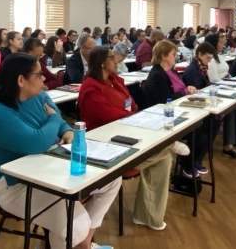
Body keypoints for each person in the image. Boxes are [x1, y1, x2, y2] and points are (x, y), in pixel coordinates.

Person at [0, 53, 119, 249]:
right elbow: (37, 143)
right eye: (38, 74)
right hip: (15, 186)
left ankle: (83, 245)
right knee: (76, 225)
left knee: (111, 180)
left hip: (48, 169)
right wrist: (53, 120)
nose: (44, 78)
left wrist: (67, 131)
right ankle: (73, 243)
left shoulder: (39, 96)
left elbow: (61, 123)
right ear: (21, 80)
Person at [78, 46, 185, 232]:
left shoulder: (113, 80)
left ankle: (147, 216)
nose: (116, 61)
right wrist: (130, 116)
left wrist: (132, 115)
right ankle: (168, 144)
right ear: (102, 63)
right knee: (164, 153)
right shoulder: (91, 87)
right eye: (112, 58)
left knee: (164, 159)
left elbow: (132, 103)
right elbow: (106, 115)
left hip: (127, 130)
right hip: (104, 142)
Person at [181, 42, 224, 175]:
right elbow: (195, 93)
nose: (209, 61)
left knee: (216, 122)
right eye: (208, 57)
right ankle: (191, 162)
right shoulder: (192, 70)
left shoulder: (200, 68)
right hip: (194, 109)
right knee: (209, 127)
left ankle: (197, 160)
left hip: (201, 105)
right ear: (200, 54)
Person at [142, 40, 197, 109]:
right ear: (164, 56)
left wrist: (189, 89)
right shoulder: (157, 75)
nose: (176, 57)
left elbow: (182, 88)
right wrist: (185, 92)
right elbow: (166, 100)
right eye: (173, 54)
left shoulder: (171, 70)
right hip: (164, 110)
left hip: (180, 104)